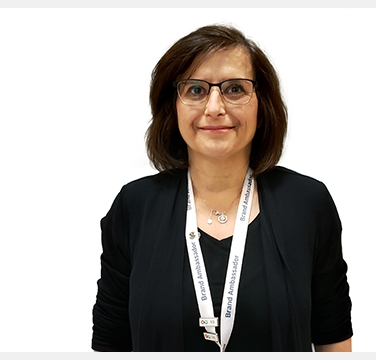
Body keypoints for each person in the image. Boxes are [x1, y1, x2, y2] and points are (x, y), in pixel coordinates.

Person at [91, 24, 353, 352]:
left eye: (234, 89)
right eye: (196, 90)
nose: (215, 108)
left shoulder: (306, 204)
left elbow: (334, 339)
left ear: (262, 103)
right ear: (172, 105)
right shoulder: (135, 207)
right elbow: (111, 345)